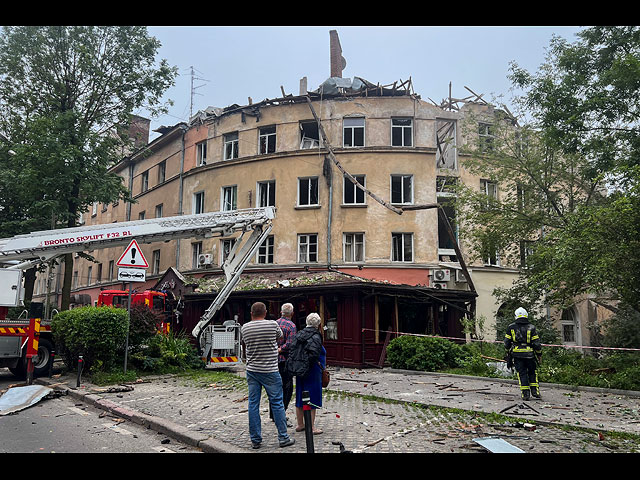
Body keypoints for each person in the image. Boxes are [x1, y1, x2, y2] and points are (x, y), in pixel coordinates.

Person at [240, 301, 295, 449]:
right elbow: (280, 336)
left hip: (252, 370)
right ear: (265, 313)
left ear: (251, 314)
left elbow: (245, 342)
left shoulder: (244, 328)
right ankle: (283, 437)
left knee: (253, 404)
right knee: (277, 403)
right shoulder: (272, 325)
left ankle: (256, 440)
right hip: (270, 370)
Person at [288, 312, 325, 435]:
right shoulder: (316, 336)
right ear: (318, 324)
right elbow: (314, 354)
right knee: (312, 398)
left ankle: (300, 424)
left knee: (300, 395)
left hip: (299, 370)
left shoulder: (299, 334)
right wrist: (308, 364)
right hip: (312, 370)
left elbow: (292, 349)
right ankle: (312, 427)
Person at [504, 307, 543, 401]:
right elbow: (536, 344)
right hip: (530, 355)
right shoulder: (532, 327)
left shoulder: (511, 327)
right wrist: (539, 355)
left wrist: (507, 352)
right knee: (532, 372)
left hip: (517, 355)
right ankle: (535, 392)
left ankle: (525, 394)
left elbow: (506, 343)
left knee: (522, 373)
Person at [269, 303, 297, 425]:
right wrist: (280, 349)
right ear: (292, 313)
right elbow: (291, 344)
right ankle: (281, 414)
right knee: (287, 388)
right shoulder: (291, 326)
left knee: (274, 388)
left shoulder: (274, 324)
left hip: (273, 361)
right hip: (285, 361)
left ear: (281, 312)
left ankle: (272, 413)